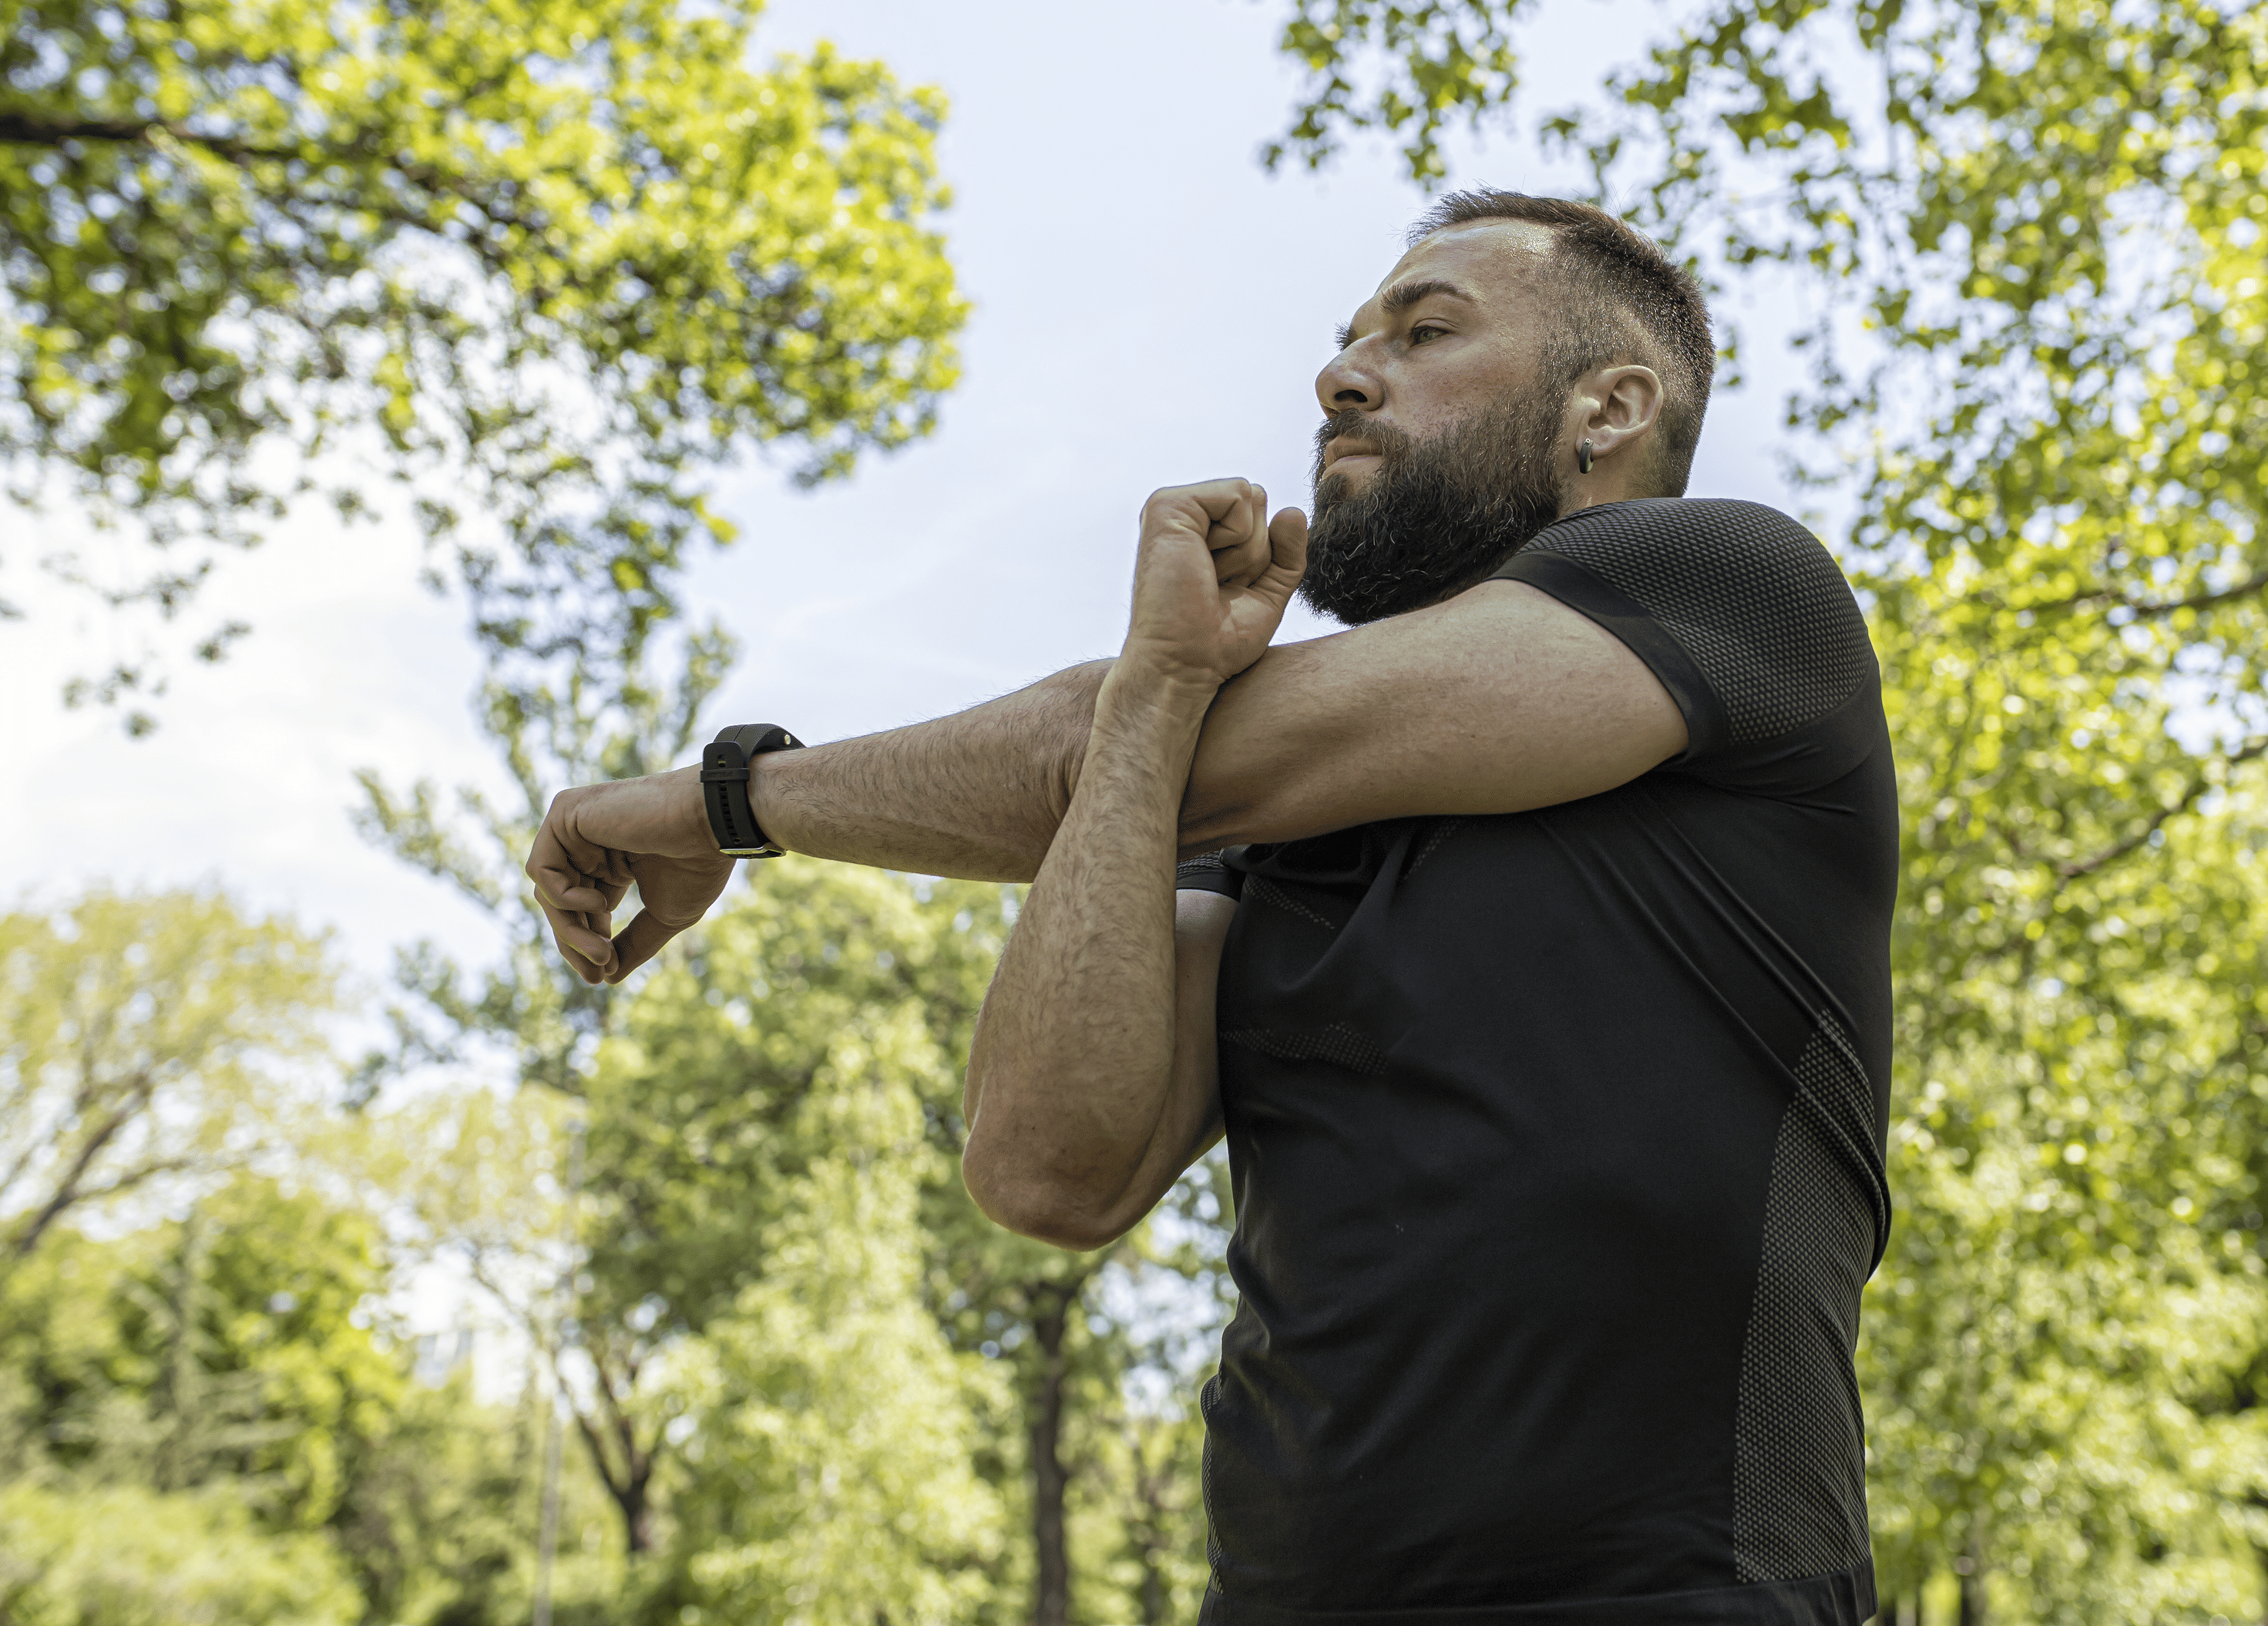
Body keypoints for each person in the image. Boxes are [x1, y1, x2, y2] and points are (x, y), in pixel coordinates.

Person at [526, 192, 1900, 1624]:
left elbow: (1074, 742)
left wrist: (719, 801)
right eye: (1347, 337)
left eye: (1425, 331)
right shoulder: (1255, 807)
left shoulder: (1736, 584)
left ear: (1608, 408)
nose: (1343, 374)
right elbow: (1050, 1171)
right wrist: (1158, 696)